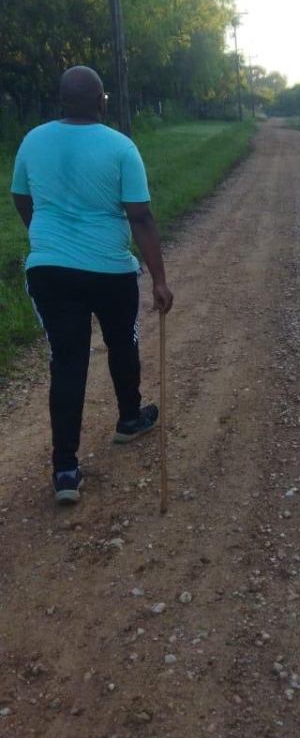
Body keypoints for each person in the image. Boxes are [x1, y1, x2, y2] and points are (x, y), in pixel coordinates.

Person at [11, 66, 174, 504]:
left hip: (50, 270)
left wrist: (46, 238)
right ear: (102, 100)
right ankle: (128, 419)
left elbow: (22, 199)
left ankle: (65, 469)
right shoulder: (121, 146)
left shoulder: (32, 140)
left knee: (68, 361)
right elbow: (140, 216)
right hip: (110, 269)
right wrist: (158, 279)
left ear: (61, 100)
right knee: (123, 342)